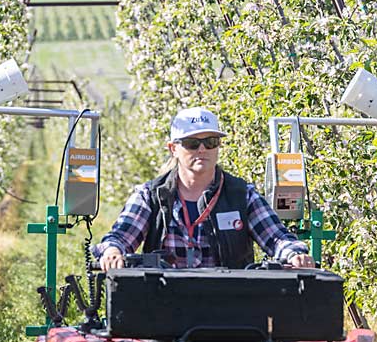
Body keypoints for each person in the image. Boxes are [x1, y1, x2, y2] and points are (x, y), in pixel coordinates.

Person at [95, 107, 316, 271]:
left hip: (231, 307)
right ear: (173, 149)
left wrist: (294, 254)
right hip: (163, 307)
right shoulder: (149, 196)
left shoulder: (243, 195)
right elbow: (118, 238)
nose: (202, 149)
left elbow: (277, 238)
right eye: (192, 143)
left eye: (210, 142)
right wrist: (113, 251)